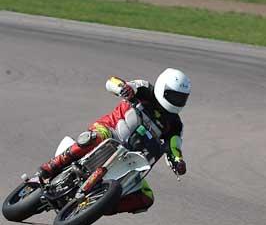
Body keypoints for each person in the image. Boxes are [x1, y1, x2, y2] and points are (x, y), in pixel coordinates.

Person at [38, 69, 191, 215]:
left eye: (181, 98)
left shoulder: (176, 124)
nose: (176, 101)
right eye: (173, 96)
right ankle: (53, 165)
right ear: (161, 88)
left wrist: (178, 161)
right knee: (93, 138)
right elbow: (112, 82)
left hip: (131, 158)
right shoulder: (145, 89)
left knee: (146, 197)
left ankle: (98, 206)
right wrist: (123, 88)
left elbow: (175, 146)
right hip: (110, 131)